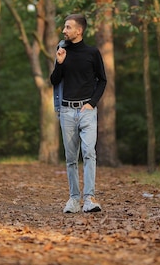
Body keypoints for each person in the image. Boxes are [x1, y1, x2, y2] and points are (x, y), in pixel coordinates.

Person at [50, 14, 107, 213]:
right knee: (71, 157)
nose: (64, 30)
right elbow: (55, 81)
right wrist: (59, 63)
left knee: (89, 153)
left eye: (67, 27)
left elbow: (102, 80)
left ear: (78, 31)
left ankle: (89, 198)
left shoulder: (92, 53)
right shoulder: (62, 51)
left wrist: (92, 103)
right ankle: (74, 199)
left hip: (87, 111)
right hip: (66, 110)